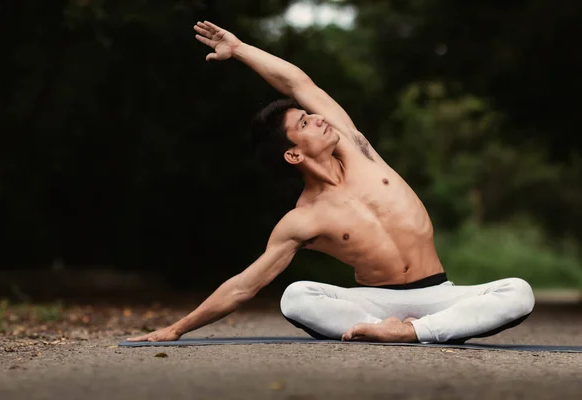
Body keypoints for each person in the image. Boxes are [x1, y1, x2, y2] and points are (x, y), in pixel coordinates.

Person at [127, 21, 534, 344]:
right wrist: (177, 328)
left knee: (518, 291)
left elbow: (297, 84)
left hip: (441, 291)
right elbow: (244, 286)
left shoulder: (358, 149)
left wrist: (239, 50)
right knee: (296, 296)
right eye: (304, 123)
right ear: (293, 154)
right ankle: (385, 326)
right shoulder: (304, 219)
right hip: (378, 301)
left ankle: (409, 332)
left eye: (311, 115)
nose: (318, 118)